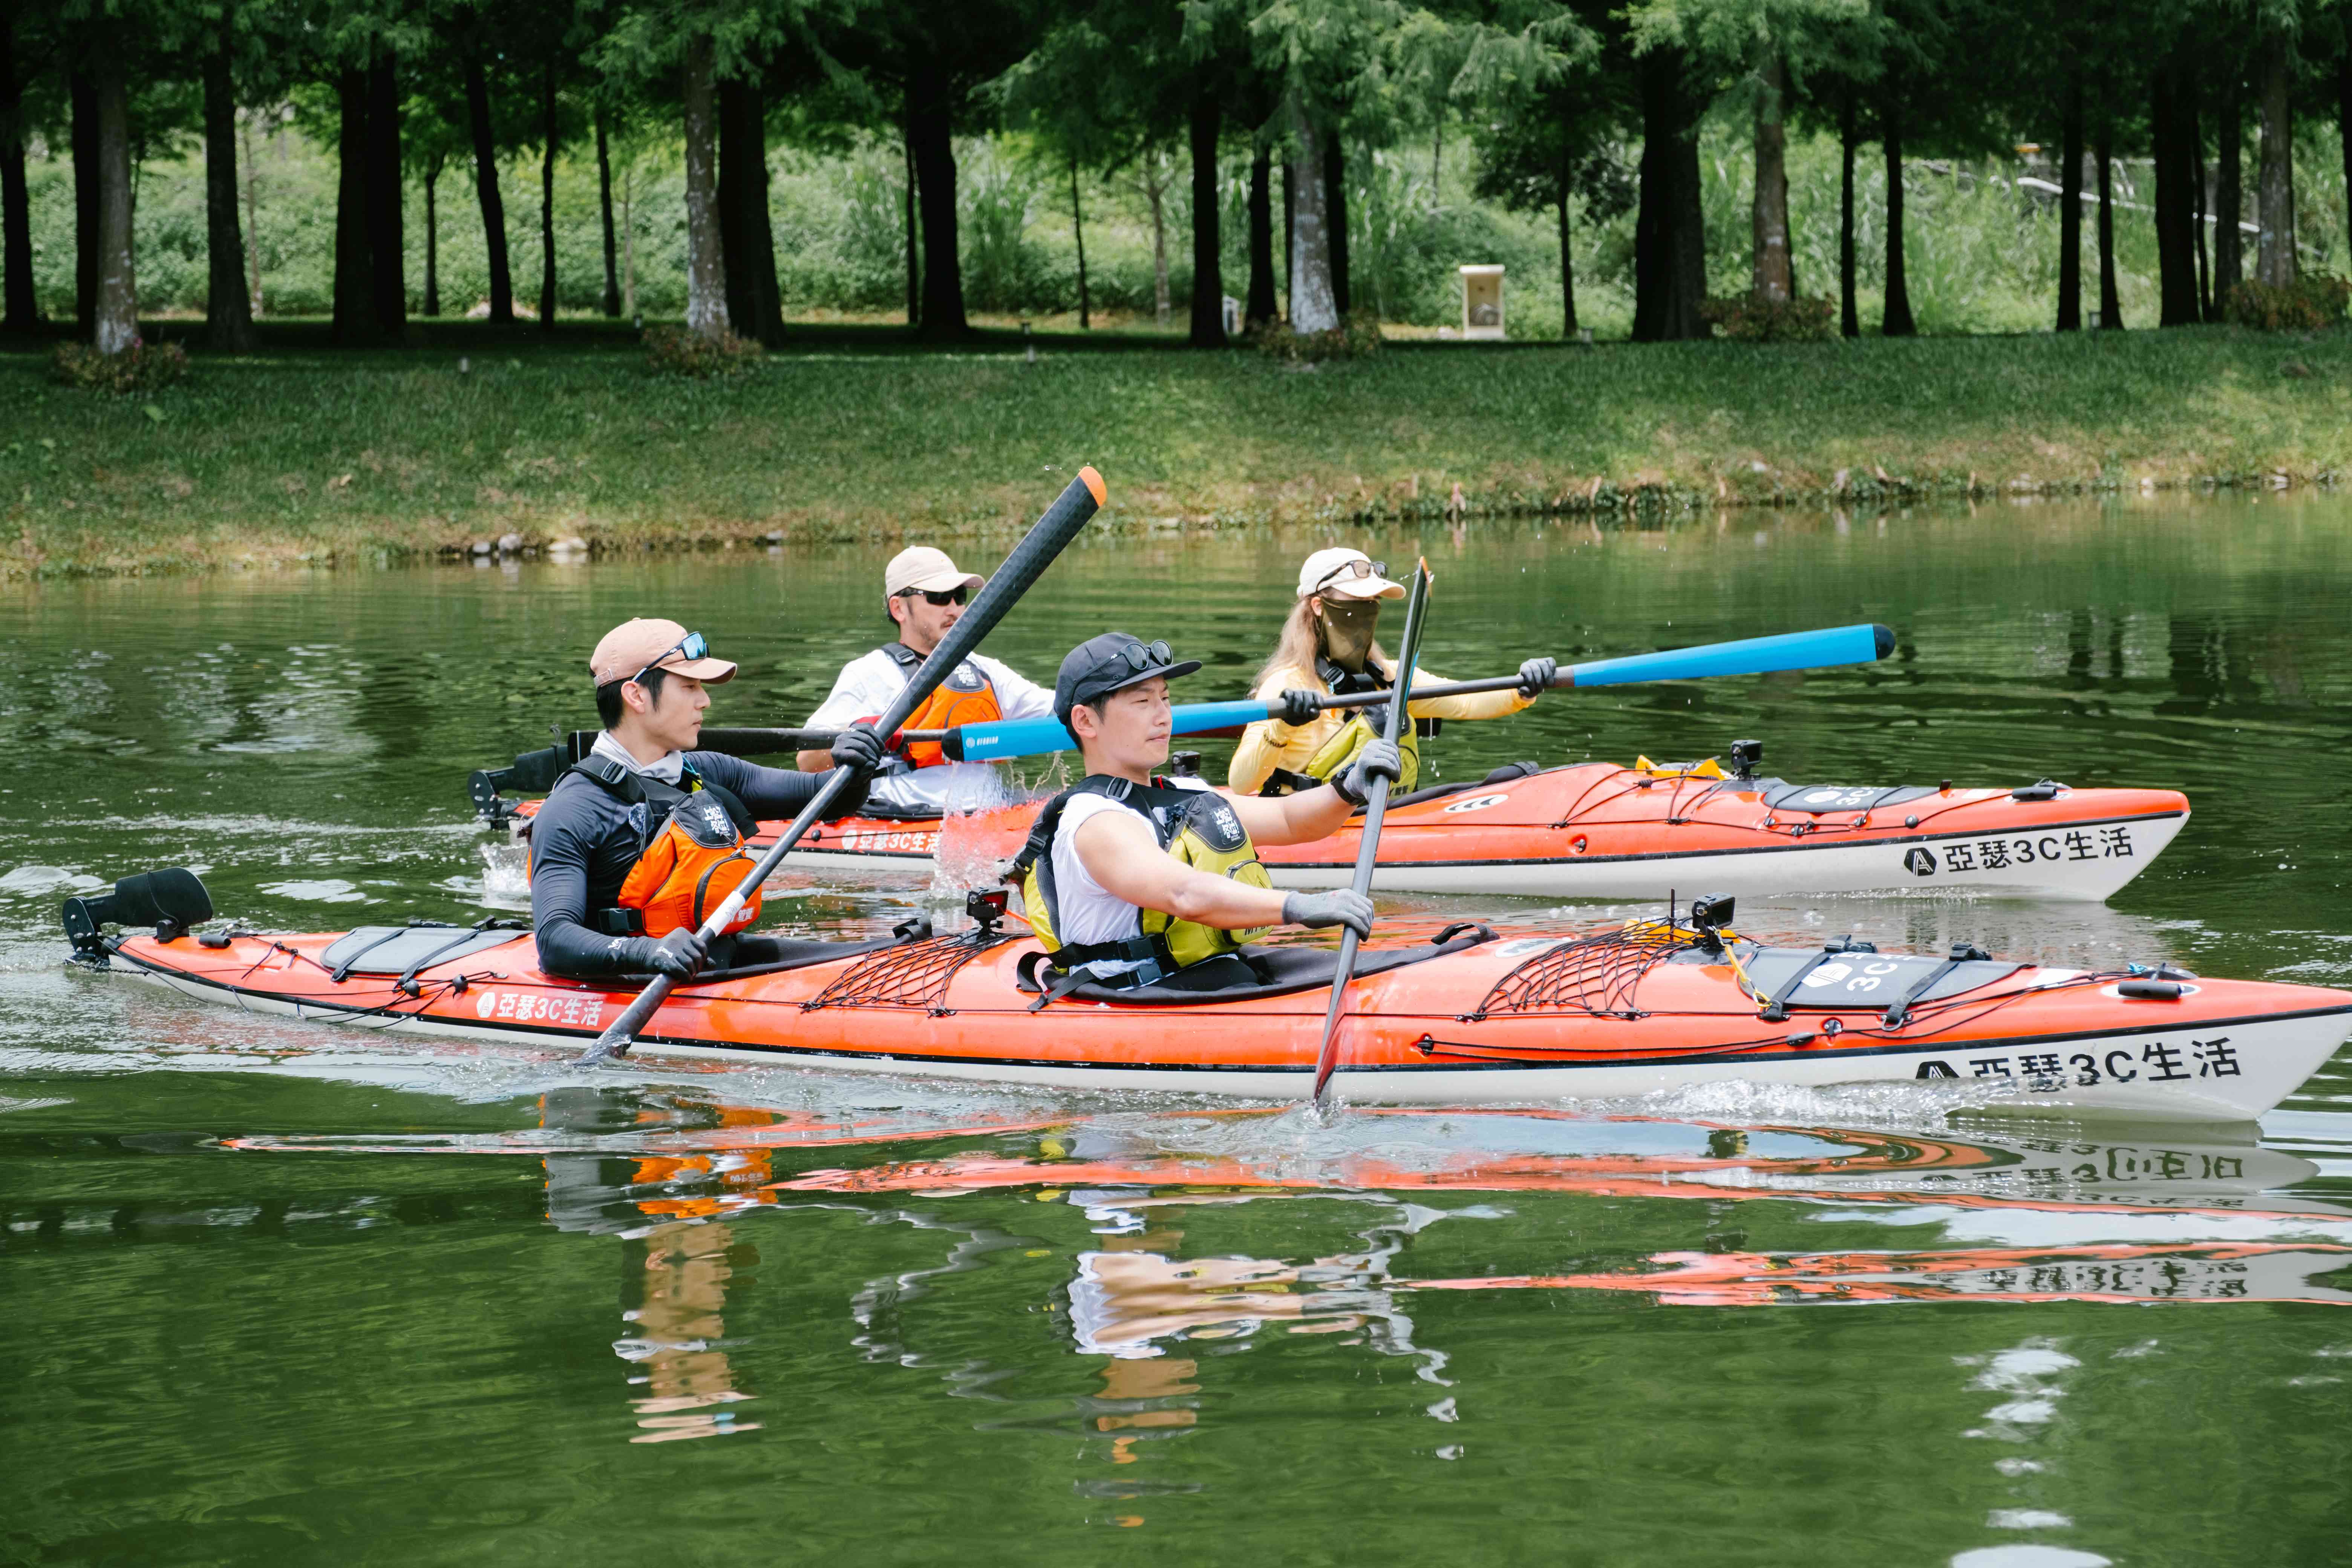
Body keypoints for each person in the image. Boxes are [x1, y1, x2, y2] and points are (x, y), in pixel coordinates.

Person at [1009, 632, 1395, 994]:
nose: (1162, 715)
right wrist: (1297, 906)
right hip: (1142, 992)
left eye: (1165, 698)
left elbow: (1290, 819)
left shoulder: (1186, 792)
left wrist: (1349, 786)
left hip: (1211, 971)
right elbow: (1183, 893)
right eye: (1143, 702)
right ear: (1085, 721)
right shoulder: (1096, 821)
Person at [530, 618, 886, 981]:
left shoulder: (707, 772)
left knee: (897, 949)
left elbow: (829, 799)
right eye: (689, 686)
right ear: (636, 695)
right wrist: (647, 951)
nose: (705, 701)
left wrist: (856, 766)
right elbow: (555, 940)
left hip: (720, 961)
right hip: (637, 978)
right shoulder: (574, 808)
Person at [1226, 547, 1557, 796]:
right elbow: (1242, 783)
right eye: (1358, 598)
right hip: (1304, 825)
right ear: (1318, 606)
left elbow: (1466, 701)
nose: (1369, 606)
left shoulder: (1389, 677)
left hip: (1379, 814)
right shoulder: (1286, 685)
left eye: (1374, 598)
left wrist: (1523, 689)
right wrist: (1284, 725)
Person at [796, 545, 1056, 815]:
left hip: (989, 821)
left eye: (960, 596)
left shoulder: (986, 670)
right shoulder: (869, 673)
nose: (955, 609)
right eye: (940, 597)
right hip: (904, 821)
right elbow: (807, 761)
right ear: (899, 608)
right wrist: (863, 736)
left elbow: (1062, 711)